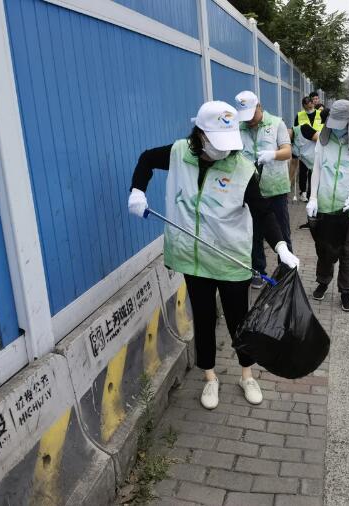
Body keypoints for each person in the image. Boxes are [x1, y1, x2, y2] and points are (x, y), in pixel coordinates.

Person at [127, 101, 300, 411]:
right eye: (216, 142)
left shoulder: (242, 168)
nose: (224, 150)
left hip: (230, 259)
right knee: (204, 319)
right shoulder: (179, 153)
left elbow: (263, 213)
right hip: (193, 258)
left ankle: (247, 375)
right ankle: (209, 376)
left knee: (239, 321)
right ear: (200, 135)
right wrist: (137, 190)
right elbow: (146, 159)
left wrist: (281, 247)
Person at [306, 99, 349, 312]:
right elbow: (317, 168)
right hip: (325, 203)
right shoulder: (324, 139)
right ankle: (323, 281)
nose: (335, 128)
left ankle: (346, 291)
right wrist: (313, 197)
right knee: (324, 247)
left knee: (346, 249)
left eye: (339, 124)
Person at [235, 91, 293, 289]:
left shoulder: (276, 123)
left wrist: (273, 155)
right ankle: (258, 272)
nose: (249, 120)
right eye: (245, 116)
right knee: (254, 234)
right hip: (251, 191)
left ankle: (285, 272)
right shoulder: (239, 127)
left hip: (275, 189)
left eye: (251, 114)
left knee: (281, 233)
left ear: (259, 106)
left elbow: (288, 151)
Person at [294, 96, 324, 202]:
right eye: (306, 107)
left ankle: (312, 193)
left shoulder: (320, 114)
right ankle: (303, 192)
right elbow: (296, 130)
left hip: (317, 145)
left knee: (314, 170)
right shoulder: (299, 115)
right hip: (304, 147)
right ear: (303, 106)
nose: (309, 108)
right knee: (303, 170)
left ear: (313, 104)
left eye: (310, 106)